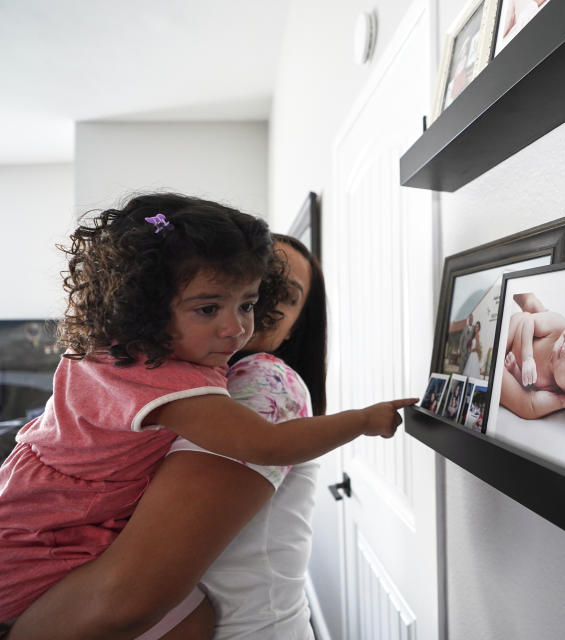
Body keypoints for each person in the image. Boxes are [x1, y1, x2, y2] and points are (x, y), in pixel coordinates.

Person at [0, 194, 415, 634]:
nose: (236, 326)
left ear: (301, 323)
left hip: (35, 514)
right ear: (147, 305)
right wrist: (363, 421)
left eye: (252, 302)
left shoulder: (250, 379)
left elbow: (128, 597)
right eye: (208, 307)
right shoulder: (170, 378)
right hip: (50, 530)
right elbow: (266, 444)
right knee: (190, 621)